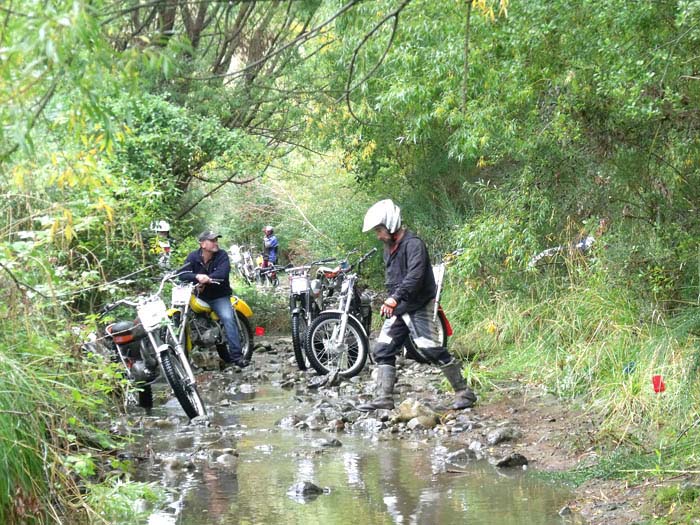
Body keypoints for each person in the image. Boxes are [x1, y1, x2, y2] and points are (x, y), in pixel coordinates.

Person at [357, 199, 476, 411]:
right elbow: (393, 279)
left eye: (379, 230)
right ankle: (383, 398)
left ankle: (464, 393)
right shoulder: (389, 248)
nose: (378, 235)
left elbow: (415, 276)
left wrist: (395, 298)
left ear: (391, 225)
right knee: (383, 349)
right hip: (401, 308)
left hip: (418, 305)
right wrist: (393, 301)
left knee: (429, 349)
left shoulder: (414, 245)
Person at [178, 230, 248, 368]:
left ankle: (237, 357)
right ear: (203, 244)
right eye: (213, 240)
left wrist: (207, 279)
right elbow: (182, 273)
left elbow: (222, 273)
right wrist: (197, 277)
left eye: (216, 240)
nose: (216, 243)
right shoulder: (193, 256)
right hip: (199, 296)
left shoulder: (221, 255)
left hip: (219, 296)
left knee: (228, 318)